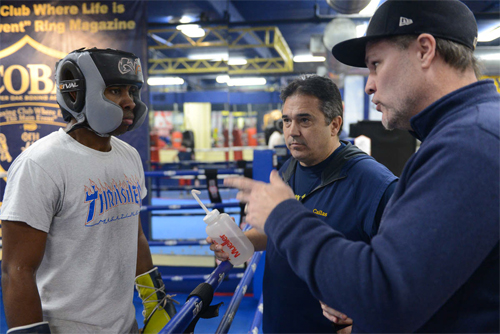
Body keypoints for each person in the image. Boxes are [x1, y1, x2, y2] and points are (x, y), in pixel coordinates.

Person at [224, 1, 500, 332]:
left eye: (376, 64)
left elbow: (382, 293)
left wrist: (283, 216)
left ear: (425, 51)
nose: (369, 84)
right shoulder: (467, 133)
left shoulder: (469, 144)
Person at [0, 48, 176, 334]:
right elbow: (16, 270)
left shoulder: (129, 156)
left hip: (124, 325)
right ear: (76, 94)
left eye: (132, 90)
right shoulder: (40, 164)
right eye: (115, 90)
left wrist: (154, 298)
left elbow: (136, 235)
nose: (129, 101)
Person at [210, 75, 397, 333]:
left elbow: (403, 274)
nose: (292, 131)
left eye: (304, 120)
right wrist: (242, 242)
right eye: (286, 120)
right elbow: (280, 229)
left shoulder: (373, 184)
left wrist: (364, 322)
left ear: (334, 124)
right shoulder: (291, 168)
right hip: (279, 322)